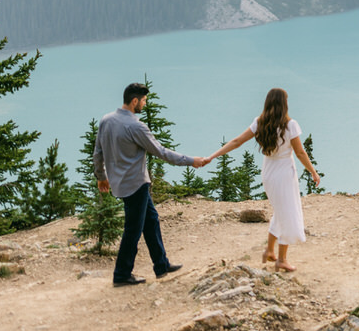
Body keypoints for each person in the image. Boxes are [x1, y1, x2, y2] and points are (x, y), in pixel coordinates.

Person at [93, 81, 210, 286]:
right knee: (133, 230)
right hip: (135, 184)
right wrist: (192, 161)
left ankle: (161, 264)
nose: (145, 105)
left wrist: (101, 176)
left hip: (122, 183)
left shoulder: (106, 120)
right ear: (135, 101)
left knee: (151, 220)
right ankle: (121, 275)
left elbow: (98, 152)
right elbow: (161, 152)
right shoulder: (136, 126)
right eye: (144, 101)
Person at [209, 87, 320, 271]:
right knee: (287, 212)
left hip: (268, 171)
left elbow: (237, 141)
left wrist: (212, 156)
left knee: (280, 209)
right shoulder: (290, 125)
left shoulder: (260, 123)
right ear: (284, 104)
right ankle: (281, 259)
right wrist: (313, 172)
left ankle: (269, 250)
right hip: (284, 172)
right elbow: (300, 152)